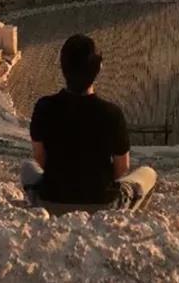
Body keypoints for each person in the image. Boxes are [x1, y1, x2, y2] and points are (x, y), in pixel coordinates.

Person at [21, 34, 157, 212]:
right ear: (98, 68)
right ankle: (126, 220)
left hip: (52, 199)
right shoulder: (112, 113)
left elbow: (39, 156)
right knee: (149, 173)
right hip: (102, 203)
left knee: (26, 167)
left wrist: (64, 179)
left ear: (63, 67)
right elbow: (122, 167)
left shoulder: (44, 106)